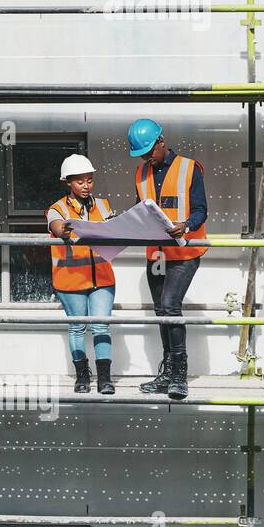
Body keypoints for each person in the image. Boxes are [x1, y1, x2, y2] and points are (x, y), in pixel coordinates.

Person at [128, 118, 208, 400]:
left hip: (184, 251)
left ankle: (179, 376)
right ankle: (167, 374)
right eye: (142, 155)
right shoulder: (141, 174)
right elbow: (141, 209)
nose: (147, 159)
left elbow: (201, 210)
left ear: (161, 142)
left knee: (171, 306)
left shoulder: (189, 168)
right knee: (161, 311)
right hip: (157, 253)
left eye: (149, 152)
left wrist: (185, 225)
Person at [46, 154, 116, 395]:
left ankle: (105, 378)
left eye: (89, 180)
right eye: (80, 182)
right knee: (77, 328)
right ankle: (82, 377)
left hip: (102, 278)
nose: (86, 186)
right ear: (68, 183)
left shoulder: (105, 206)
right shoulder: (58, 208)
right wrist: (63, 229)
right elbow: (55, 225)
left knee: (101, 326)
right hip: (70, 279)